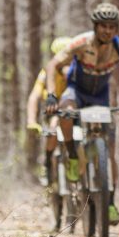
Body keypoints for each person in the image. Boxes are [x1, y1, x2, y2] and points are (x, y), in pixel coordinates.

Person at [45, 3, 119, 225]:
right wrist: (51, 95)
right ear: (95, 26)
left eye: (112, 27)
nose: (107, 31)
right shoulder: (81, 42)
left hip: (100, 96)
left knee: (109, 150)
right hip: (76, 91)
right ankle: (72, 153)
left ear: (116, 28)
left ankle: (110, 203)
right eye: (103, 26)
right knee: (65, 112)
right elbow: (53, 65)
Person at [25, 36, 72, 186]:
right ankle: (48, 163)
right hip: (54, 109)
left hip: (74, 108)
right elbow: (34, 97)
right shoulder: (46, 73)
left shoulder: (78, 69)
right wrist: (31, 121)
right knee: (53, 128)